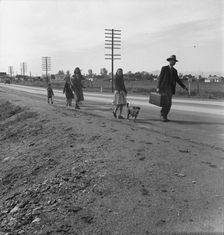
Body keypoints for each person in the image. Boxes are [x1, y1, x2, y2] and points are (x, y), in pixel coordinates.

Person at [157, 55, 188, 122]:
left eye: (175, 61)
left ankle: (165, 116)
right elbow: (160, 78)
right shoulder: (164, 68)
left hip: (170, 89)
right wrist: (158, 87)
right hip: (164, 88)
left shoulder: (175, 71)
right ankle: (162, 115)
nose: (174, 62)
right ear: (170, 61)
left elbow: (177, 80)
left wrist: (184, 87)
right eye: (173, 61)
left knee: (169, 103)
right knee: (165, 102)